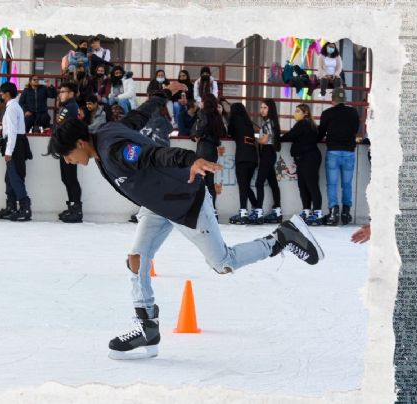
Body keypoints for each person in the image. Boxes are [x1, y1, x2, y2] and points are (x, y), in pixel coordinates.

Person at [45, 85, 324, 360]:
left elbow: (153, 156)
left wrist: (190, 159)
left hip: (184, 200)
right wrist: (161, 96)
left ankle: (281, 238)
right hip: (158, 205)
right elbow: (138, 118)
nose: (68, 162)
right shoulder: (105, 133)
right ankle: (147, 329)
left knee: (223, 263)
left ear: (80, 143)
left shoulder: (113, 150)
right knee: (136, 259)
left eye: (67, 156)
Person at [319, 87, 360, 226]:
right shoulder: (353, 112)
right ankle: (346, 212)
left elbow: (320, 133)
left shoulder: (327, 113)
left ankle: (333, 212)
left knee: (332, 183)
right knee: (347, 184)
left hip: (333, 152)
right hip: (349, 152)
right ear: (345, 99)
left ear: (333, 99)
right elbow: (355, 129)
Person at [0, 82, 32, 221]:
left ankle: (24, 207)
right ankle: (11, 206)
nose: (0, 95)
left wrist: (9, 151)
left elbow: (12, 132)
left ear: (7, 93)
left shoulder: (11, 109)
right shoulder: (14, 107)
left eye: (1, 92)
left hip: (14, 147)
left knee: (15, 177)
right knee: (9, 178)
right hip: (16, 144)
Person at [280, 104, 323, 225]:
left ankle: (318, 213)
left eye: (298, 111)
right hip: (303, 158)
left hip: (309, 157)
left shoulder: (303, 123)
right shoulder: (308, 124)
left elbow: (291, 135)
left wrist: (279, 138)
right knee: (303, 185)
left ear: (305, 113)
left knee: (311, 185)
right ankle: (307, 211)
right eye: (295, 111)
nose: (295, 113)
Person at [55, 82, 83, 223]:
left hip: (69, 147)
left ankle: (76, 209)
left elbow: (67, 128)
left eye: (63, 91)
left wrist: (64, 146)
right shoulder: (66, 107)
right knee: (66, 178)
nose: (61, 94)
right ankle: (72, 206)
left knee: (71, 178)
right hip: (64, 146)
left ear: (71, 93)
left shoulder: (71, 107)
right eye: (60, 92)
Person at [189, 94, 224, 210]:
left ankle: (201, 209)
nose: (200, 103)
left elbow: (200, 127)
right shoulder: (216, 115)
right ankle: (212, 209)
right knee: (210, 182)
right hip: (213, 151)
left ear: (205, 102)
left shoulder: (203, 113)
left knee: (199, 181)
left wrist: (196, 134)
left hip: (203, 149)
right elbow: (223, 132)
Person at [251, 99, 282, 224]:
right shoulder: (272, 122)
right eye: (261, 107)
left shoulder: (268, 123)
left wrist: (254, 137)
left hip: (268, 153)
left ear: (270, 109)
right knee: (273, 183)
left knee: (259, 183)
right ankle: (277, 211)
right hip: (269, 153)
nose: (262, 110)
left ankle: (258, 211)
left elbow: (264, 140)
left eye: (264, 107)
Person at [227, 102, 258, 225]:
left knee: (242, 185)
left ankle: (243, 212)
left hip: (242, 157)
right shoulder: (248, 122)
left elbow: (229, 133)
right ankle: (256, 207)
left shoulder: (234, 119)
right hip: (253, 158)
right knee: (246, 185)